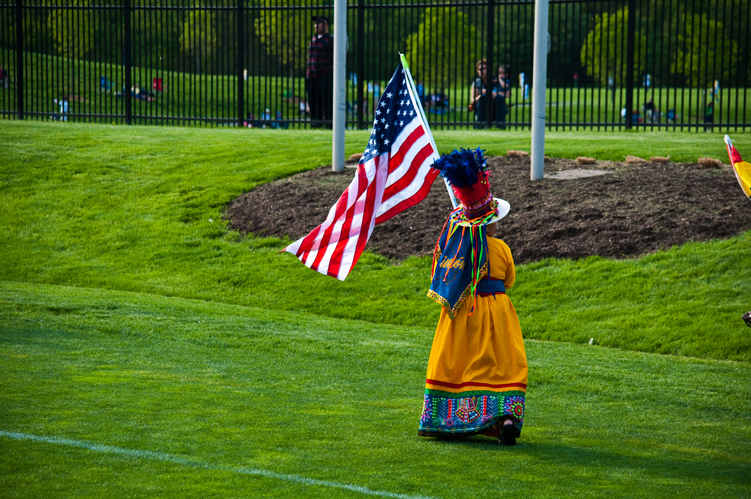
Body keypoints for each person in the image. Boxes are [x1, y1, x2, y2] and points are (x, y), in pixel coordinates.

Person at [418, 148, 527, 446]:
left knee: (457, 360)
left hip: (463, 310)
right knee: (503, 364)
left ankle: (446, 418)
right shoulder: (502, 249)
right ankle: (505, 417)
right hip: (499, 313)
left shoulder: (454, 245)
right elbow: (509, 280)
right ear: (491, 222)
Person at [306, 15, 334, 128]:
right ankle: (315, 124)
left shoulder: (330, 39)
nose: (316, 25)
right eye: (315, 23)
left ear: (326, 24)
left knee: (327, 103)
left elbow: (334, 57)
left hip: (325, 75)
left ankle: (329, 125)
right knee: (313, 103)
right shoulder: (313, 39)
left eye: (319, 23)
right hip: (311, 77)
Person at [470, 60, 504, 128]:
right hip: (482, 108)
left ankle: (501, 126)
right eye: (479, 69)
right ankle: (480, 126)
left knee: (499, 98)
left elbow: (508, 93)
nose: (482, 71)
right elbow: (472, 101)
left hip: (496, 107)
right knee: (484, 97)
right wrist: (481, 95)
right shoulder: (477, 82)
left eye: (484, 68)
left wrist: (493, 94)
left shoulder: (497, 80)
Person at [495, 65, 511, 129]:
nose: (501, 75)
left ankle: (502, 125)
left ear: (507, 74)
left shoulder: (506, 80)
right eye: (500, 73)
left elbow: (505, 86)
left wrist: (499, 79)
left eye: (503, 73)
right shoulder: (499, 81)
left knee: (502, 110)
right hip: (497, 97)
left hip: (501, 99)